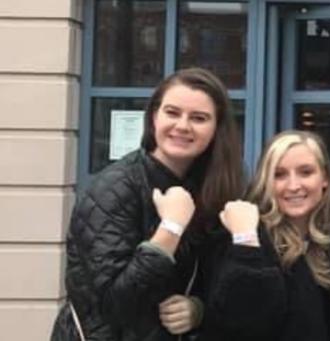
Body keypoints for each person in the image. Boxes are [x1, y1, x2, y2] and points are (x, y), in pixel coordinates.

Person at [51, 68, 244, 341]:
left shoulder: (211, 190)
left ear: (217, 128)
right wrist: (170, 229)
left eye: (199, 118)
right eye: (172, 112)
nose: (183, 126)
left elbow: (223, 283)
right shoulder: (114, 189)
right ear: (154, 117)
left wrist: (198, 309)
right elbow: (114, 305)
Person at [199, 131, 330, 341]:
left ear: (325, 178)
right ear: (265, 181)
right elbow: (240, 323)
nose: (293, 185)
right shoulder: (242, 233)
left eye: (305, 172)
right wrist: (246, 242)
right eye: (279, 175)